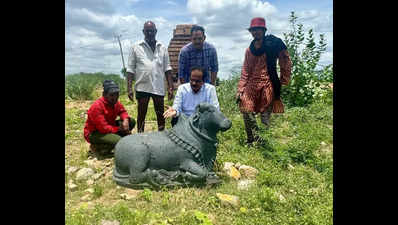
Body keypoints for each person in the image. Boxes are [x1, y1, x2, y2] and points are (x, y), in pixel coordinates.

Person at [236, 17, 292, 144]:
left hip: (269, 83)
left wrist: (284, 78)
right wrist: (241, 89)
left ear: (264, 30)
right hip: (252, 84)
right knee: (246, 108)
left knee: (265, 116)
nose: (256, 32)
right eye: (253, 30)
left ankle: (263, 142)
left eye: (258, 30)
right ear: (251, 32)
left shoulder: (274, 44)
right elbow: (246, 70)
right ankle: (252, 140)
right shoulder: (249, 50)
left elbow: (285, 60)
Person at [126, 21, 174, 133]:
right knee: (141, 114)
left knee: (160, 115)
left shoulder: (162, 47)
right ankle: (140, 137)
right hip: (142, 86)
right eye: (147, 31)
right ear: (143, 32)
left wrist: (170, 87)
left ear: (156, 31)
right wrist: (129, 88)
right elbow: (130, 70)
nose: (150, 33)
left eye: (152, 31)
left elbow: (167, 69)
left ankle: (161, 136)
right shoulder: (136, 47)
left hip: (158, 87)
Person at [84, 80, 136, 155]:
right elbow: (103, 128)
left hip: (109, 126)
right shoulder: (97, 107)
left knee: (131, 121)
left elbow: (122, 111)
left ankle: (116, 140)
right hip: (95, 132)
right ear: (104, 94)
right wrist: (119, 129)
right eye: (112, 95)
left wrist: (125, 120)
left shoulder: (115, 103)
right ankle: (97, 147)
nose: (115, 97)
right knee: (119, 141)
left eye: (117, 94)